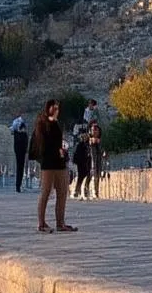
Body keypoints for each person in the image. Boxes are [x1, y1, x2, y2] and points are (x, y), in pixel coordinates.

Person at [30, 100, 76, 233]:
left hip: (59, 163)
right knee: (46, 192)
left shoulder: (56, 124)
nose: (57, 110)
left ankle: (60, 223)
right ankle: (41, 223)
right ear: (49, 109)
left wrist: (61, 151)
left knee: (62, 192)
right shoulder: (42, 124)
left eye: (58, 108)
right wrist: (55, 151)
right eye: (54, 108)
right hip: (48, 163)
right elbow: (42, 145)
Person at [10, 116, 29, 193]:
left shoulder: (16, 134)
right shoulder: (24, 135)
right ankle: (18, 186)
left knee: (19, 169)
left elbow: (13, 130)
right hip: (21, 153)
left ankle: (18, 186)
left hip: (18, 152)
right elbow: (26, 145)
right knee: (20, 169)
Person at [73, 133, 93, 201]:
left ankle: (82, 190)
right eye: (84, 137)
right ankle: (78, 191)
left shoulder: (87, 144)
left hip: (86, 163)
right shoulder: (81, 145)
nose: (85, 138)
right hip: (81, 163)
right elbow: (78, 154)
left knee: (86, 176)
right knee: (81, 177)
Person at [89, 122, 104, 200]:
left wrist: (104, 152)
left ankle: (96, 192)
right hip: (91, 163)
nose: (94, 132)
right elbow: (91, 141)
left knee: (97, 176)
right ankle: (93, 192)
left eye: (96, 130)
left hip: (98, 161)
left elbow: (102, 150)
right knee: (93, 176)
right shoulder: (90, 140)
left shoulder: (100, 141)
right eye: (93, 130)